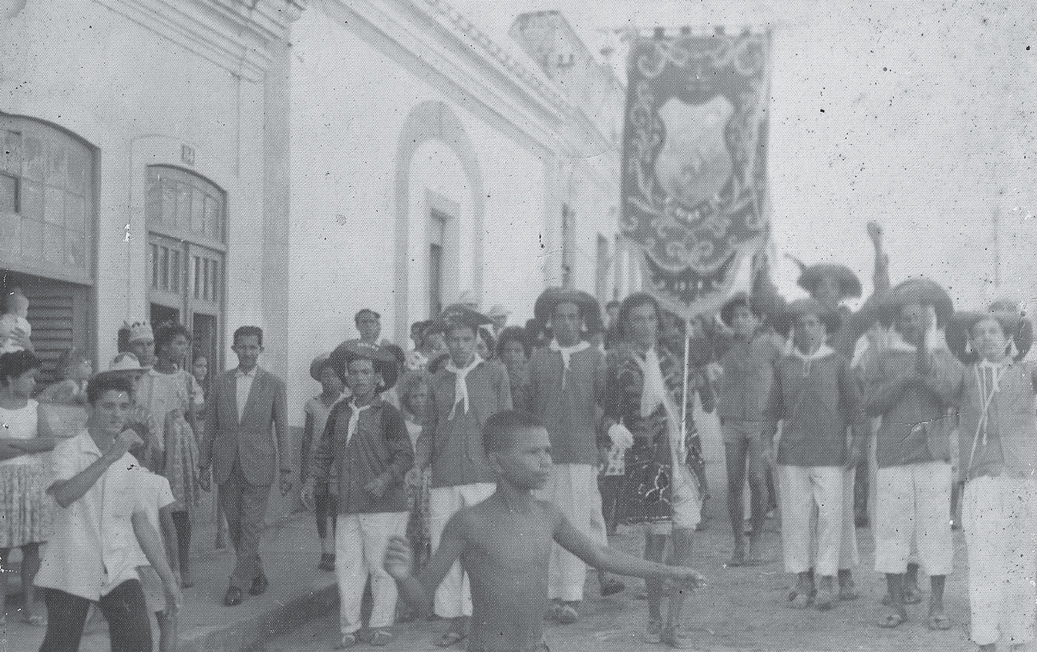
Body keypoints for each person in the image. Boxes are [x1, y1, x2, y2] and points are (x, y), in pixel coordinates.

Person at [384, 409, 706, 652]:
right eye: (532, 452)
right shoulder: (470, 523)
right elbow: (421, 599)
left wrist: (668, 571)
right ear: (497, 462)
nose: (546, 461)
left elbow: (600, 555)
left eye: (548, 450)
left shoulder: (548, 515)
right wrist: (402, 577)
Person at [35, 373, 182, 652]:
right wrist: (109, 457)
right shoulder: (69, 451)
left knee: (138, 644)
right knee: (59, 646)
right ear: (90, 409)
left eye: (124, 407)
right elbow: (64, 496)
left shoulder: (129, 461)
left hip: (118, 568)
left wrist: (168, 579)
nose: (117, 414)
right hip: (71, 567)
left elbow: (142, 525)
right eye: (108, 406)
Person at [603, 292, 712, 647]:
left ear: (659, 322)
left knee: (685, 537)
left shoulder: (676, 359)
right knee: (656, 542)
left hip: (683, 456)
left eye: (651, 319)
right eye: (637, 319)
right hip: (647, 460)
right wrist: (611, 428)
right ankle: (652, 617)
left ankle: (674, 623)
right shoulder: (618, 365)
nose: (645, 326)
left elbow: (697, 402)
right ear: (626, 325)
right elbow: (606, 411)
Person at [413, 304, 512, 647]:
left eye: (466, 339)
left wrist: (507, 468)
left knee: (484, 549)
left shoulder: (495, 374)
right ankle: (456, 618)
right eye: (453, 339)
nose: (459, 345)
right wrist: (419, 464)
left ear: (476, 341)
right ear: (445, 341)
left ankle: (482, 616)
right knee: (448, 546)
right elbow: (428, 428)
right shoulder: (436, 379)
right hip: (445, 476)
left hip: (485, 474)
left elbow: (505, 425)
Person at [302, 340, 412, 648]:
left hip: (384, 504)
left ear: (378, 378)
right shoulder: (339, 411)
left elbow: (405, 455)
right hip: (348, 503)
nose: (359, 377)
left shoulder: (388, 413)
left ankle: (380, 624)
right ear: (346, 377)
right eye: (353, 372)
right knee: (347, 566)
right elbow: (323, 452)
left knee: (380, 566)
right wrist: (312, 480)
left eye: (366, 372)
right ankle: (349, 628)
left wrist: (385, 479)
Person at [863, 284, 960, 631]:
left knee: (935, 530)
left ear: (930, 320)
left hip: (933, 454)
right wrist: (905, 378)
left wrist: (925, 367)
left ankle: (936, 605)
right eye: (905, 318)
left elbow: (951, 397)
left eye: (919, 317)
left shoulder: (945, 356)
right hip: (893, 454)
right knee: (892, 530)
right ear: (896, 323)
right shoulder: (880, 356)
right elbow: (870, 404)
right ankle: (898, 605)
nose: (912, 324)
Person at [526, 289, 623, 625]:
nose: (566, 323)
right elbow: (528, 406)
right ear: (549, 322)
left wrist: (605, 435)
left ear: (583, 322)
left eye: (573, 317)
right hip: (543, 454)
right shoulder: (538, 358)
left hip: (581, 452)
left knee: (577, 523)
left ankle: (571, 594)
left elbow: (603, 403)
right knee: (544, 522)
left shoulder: (595, 357)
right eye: (559, 317)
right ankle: (549, 592)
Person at [765, 298, 867, 611]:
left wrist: (857, 444)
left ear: (823, 328)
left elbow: (855, 409)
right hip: (792, 454)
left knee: (830, 518)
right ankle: (801, 577)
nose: (806, 329)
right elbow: (771, 411)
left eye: (812, 323)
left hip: (831, 454)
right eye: (800, 324)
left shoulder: (837, 363)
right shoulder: (784, 366)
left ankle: (826, 579)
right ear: (792, 330)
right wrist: (767, 444)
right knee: (796, 518)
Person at [948, 309, 1037, 652]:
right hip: (982, 480)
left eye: (994, 331)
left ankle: (1021, 639)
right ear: (971, 342)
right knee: (984, 563)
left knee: (1022, 562)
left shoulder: (1027, 373)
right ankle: (987, 639)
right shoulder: (964, 377)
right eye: (979, 333)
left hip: (1022, 478)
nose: (987, 337)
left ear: (1009, 338)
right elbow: (937, 380)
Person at [198, 326, 291, 607]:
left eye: (253, 347)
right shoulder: (220, 382)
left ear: (261, 350)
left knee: (251, 524)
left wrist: (286, 469)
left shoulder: (273, 384)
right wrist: (203, 465)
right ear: (234, 348)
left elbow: (283, 429)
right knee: (236, 524)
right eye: (242, 347)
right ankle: (257, 572)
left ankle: (238, 582)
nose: (248, 352)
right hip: (226, 462)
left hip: (259, 462)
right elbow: (210, 427)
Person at [714, 293, 783, 567]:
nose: (740, 321)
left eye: (746, 316)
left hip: (760, 421)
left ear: (757, 318)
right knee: (733, 482)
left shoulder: (771, 344)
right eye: (736, 317)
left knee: (757, 479)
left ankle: (756, 542)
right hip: (731, 419)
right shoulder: (723, 344)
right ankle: (738, 545)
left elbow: (785, 375)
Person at [137, 322, 204, 588]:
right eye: (178, 343)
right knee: (150, 505)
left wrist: (199, 453)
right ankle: (154, 565)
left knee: (179, 508)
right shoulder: (146, 377)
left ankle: (182, 565)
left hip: (180, 443)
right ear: (163, 346)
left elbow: (194, 417)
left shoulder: (186, 378)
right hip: (150, 441)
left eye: (186, 344)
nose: (183, 349)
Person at [0, 351, 53, 626]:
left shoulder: (34, 407)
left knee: (31, 548)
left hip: (31, 483)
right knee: (2, 549)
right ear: (11, 378)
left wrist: (16, 445)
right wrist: (28, 444)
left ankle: (29, 608)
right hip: (2, 484)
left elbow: (48, 442)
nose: (34, 383)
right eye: (29, 377)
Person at [300, 353, 346, 572]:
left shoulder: (346, 402)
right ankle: (325, 550)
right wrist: (304, 469)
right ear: (319, 379)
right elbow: (307, 437)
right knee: (321, 508)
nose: (329, 380)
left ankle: (339, 551)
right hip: (317, 464)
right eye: (325, 375)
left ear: (341, 379)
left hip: (339, 463)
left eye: (334, 376)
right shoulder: (313, 404)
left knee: (337, 506)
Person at [132, 468, 181, 652]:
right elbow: (169, 530)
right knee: (169, 620)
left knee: (134, 625)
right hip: (153, 562)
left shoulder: (117, 477)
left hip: (126, 562)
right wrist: (175, 567)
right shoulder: (158, 482)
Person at [398, 370, 432, 572]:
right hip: (410, 480)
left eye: (424, 396)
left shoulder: (434, 423)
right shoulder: (404, 424)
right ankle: (410, 573)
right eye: (415, 396)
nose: (420, 401)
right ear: (407, 399)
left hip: (430, 480)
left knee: (428, 528)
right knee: (410, 529)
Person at [497, 326, 529, 411]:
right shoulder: (495, 377)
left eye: (517, 351)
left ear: (525, 355)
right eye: (508, 350)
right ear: (501, 354)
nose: (512, 355)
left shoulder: (531, 379)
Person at [0, 288, 33, 354]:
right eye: (26, 309)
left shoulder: (3, 319)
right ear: (18, 309)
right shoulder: (23, 322)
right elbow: (28, 331)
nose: (27, 312)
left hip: (8, 351)